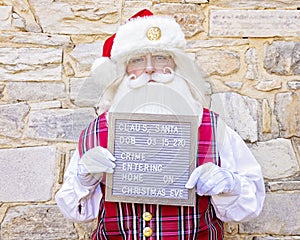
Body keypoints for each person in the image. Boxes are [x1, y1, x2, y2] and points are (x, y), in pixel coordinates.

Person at [56, 9, 265, 239]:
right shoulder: (96, 133)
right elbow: (76, 211)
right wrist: (84, 179)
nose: (149, 69)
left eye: (160, 57)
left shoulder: (213, 129)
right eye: (137, 60)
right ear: (123, 71)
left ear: (176, 66)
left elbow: (249, 206)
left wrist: (230, 185)